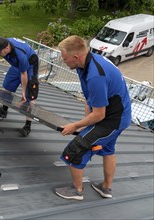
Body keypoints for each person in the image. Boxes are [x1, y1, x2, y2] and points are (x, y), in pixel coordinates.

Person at [54, 35, 131, 200]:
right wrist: (85, 125)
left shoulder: (95, 75)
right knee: (108, 149)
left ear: (76, 57)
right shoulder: (85, 65)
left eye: (65, 58)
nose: (63, 61)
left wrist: (75, 126)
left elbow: (99, 114)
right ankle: (106, 188)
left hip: (113, 120)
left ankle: (77, 191)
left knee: (75, 151)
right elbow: (90, 100)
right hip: (114, 115)